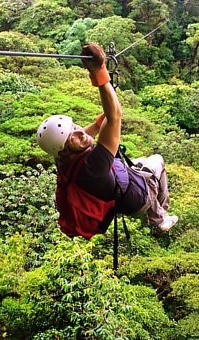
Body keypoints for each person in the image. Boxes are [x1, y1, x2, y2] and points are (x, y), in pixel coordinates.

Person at [36, 43, 178, 236]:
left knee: (142, 162)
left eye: (76, 127)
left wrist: (108, 98)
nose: (81, 134)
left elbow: (94, 128)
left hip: (122, 189)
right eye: (73, 137)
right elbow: (114, 117)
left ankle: (158, 214)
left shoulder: (64, 158)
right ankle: (160, 217)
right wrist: (100, 72)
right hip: (137, 198)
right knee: (157, 161)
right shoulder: (93, 166)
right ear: (65, 149)